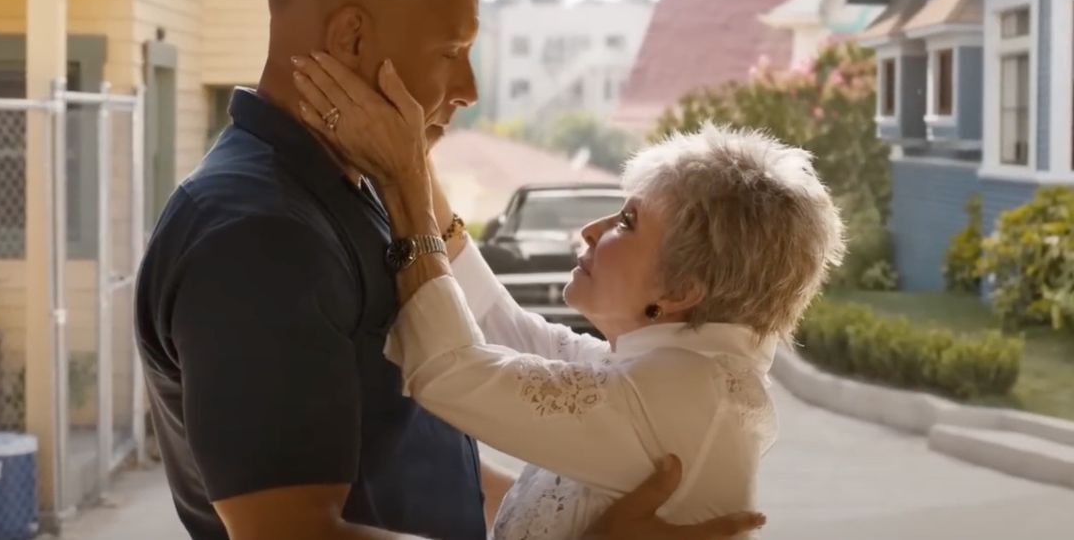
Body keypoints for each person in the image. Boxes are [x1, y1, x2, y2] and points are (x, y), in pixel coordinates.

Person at [135, 0, 766, 540]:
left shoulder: (355, 190)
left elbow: (417, 449)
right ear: (351, 40)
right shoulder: (259, 236)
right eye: (451, 51)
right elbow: (291, 533)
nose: (469, 88)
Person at [290, 53, 846, 539]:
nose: (591, 229)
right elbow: (498, 326)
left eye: (627, 222)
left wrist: (402, 178)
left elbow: (452, 372)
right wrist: (415, 155)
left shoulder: (681, 391)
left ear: (683, 288)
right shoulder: (671, 371)